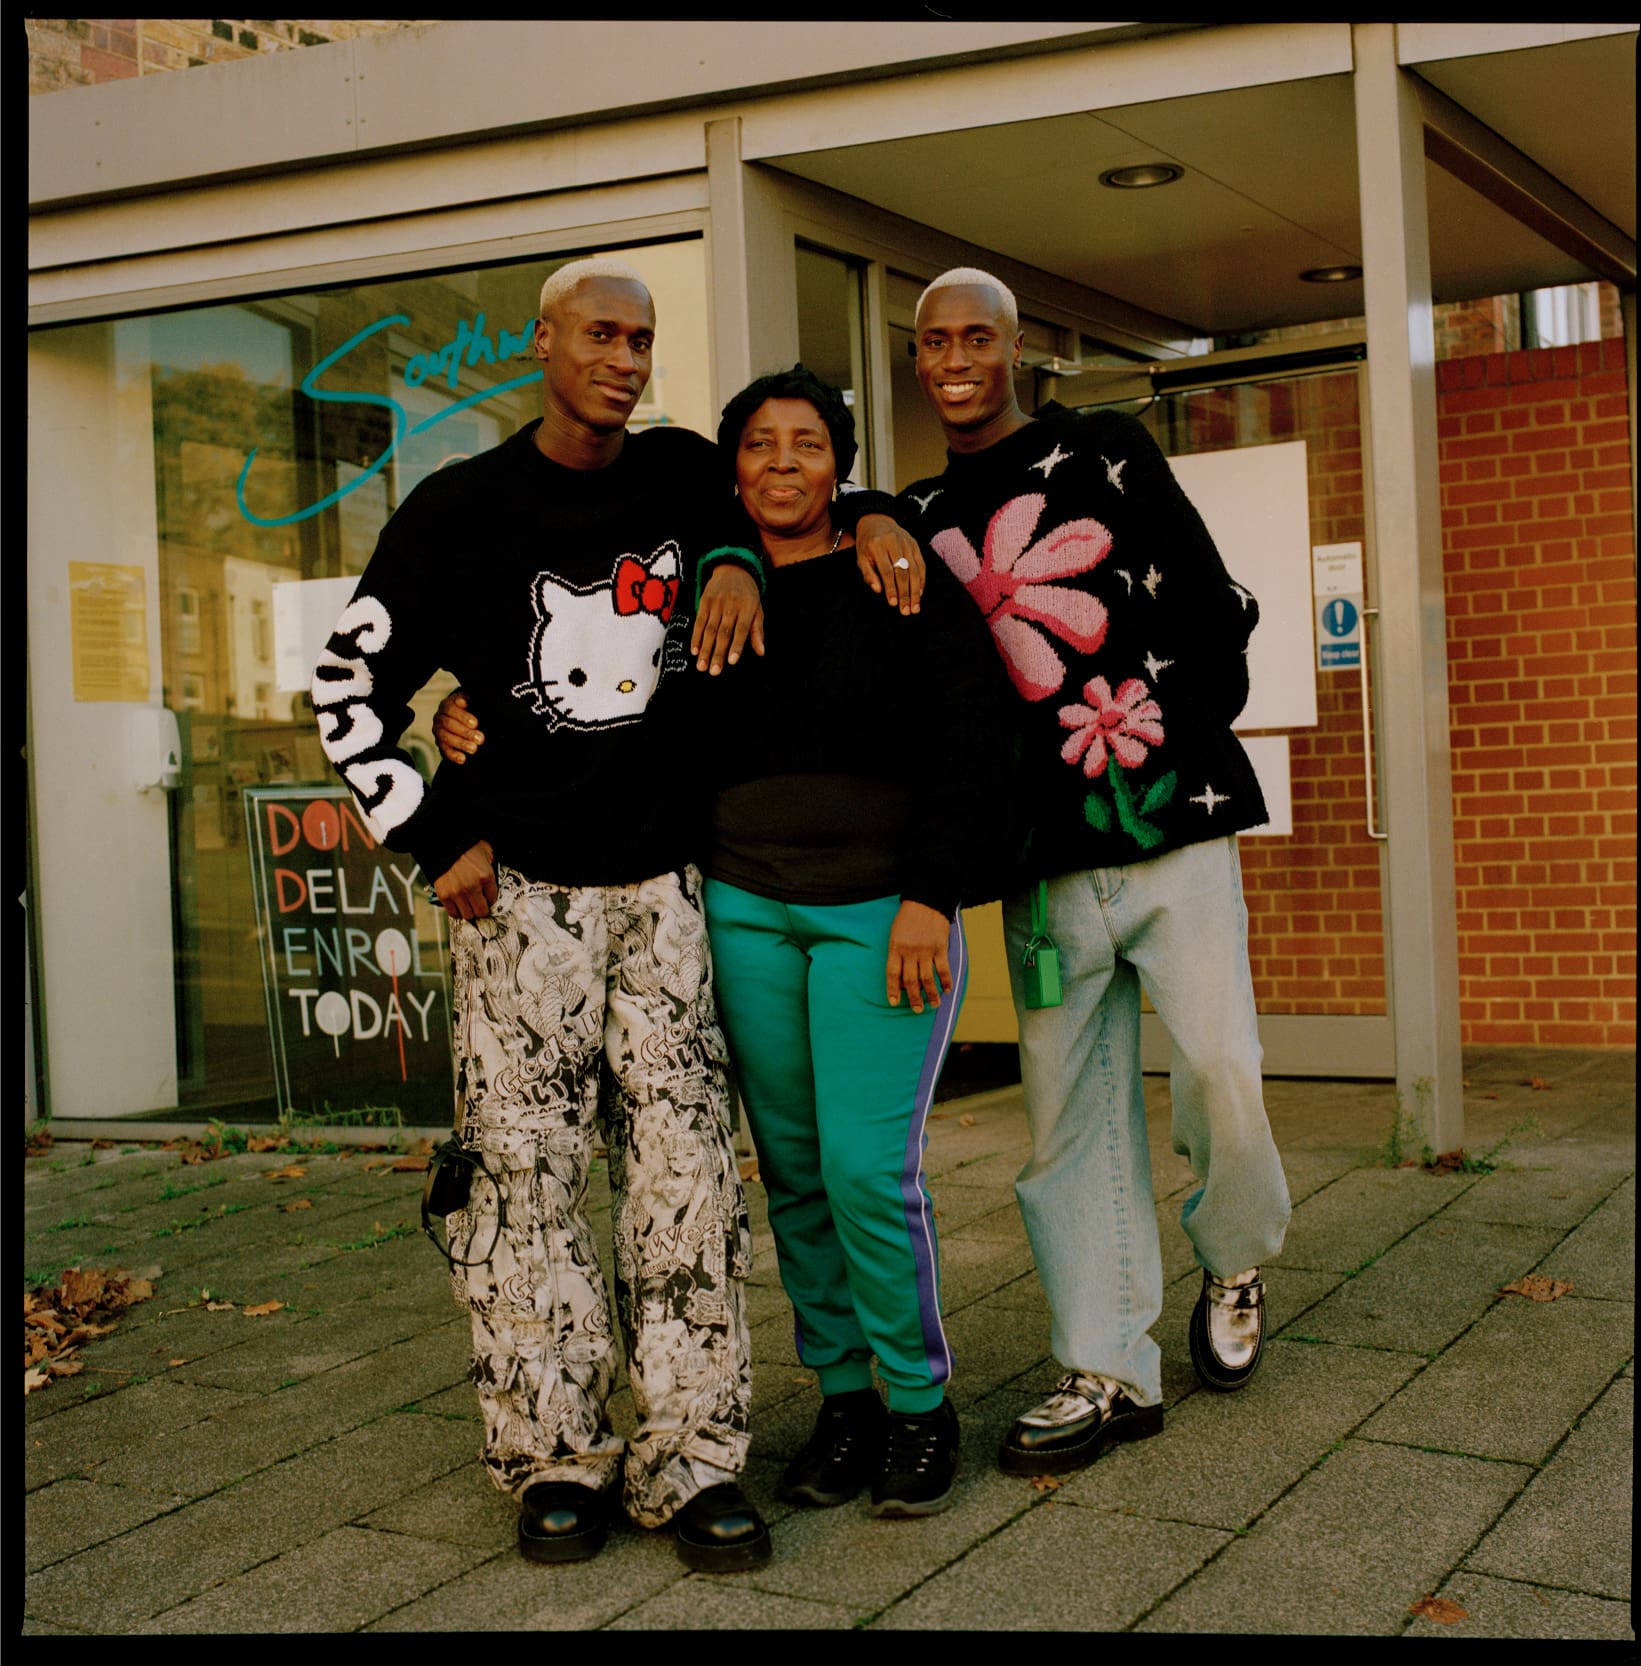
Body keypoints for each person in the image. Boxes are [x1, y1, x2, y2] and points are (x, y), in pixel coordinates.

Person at [310, 255, 922, 1572]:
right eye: (599, 334)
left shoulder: (681, 474)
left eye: (641, 340)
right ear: (542, 347)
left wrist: (879, 519)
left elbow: (795, 481)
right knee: (525, 1187)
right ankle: (554, 1456)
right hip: (518, 901)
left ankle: (694, 1458)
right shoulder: (455, 512)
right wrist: (429, 832)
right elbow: (343, 683)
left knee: (689, 1183)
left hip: (669, 891)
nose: (624, 359)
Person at [899, 268, 1292, 1474]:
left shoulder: (1104, 449)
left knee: (1223, 1070)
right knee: (1070, 1124)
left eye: (980, 336)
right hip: (1041, 873)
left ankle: (1233, 1254)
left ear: (1019, 351)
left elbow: (1218, 607)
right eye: (935, 341)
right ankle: (1109, 1366)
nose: (957, 355)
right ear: (919, 362)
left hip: (1169, 829)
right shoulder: (914, 514)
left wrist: (1156, 733)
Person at [697, 366, 1016, 1518]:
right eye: (761, 446)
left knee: (866, 1174)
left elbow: (972, 738)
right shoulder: (703, 582)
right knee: (791, 1173)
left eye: (809, 445)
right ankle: (845, 1399)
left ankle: (922, 1404)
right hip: (745, 911)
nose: (784, 464)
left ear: (841, 466)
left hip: (885, 917)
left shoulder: (898, 570)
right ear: (733, 469)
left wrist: (934, 892)